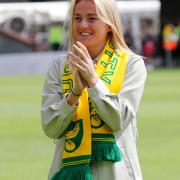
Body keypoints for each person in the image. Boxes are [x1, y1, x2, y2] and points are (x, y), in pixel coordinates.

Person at [41, 0, 147, 180]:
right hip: (68, 173)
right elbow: (50, 127)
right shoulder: (59, 67)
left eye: (92, 18)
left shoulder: (131, 64)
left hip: (117, 173)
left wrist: (93, 81)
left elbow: (118, 119)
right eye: (77, 18)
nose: (83, 25)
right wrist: (74, 94)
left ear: (109, 24)